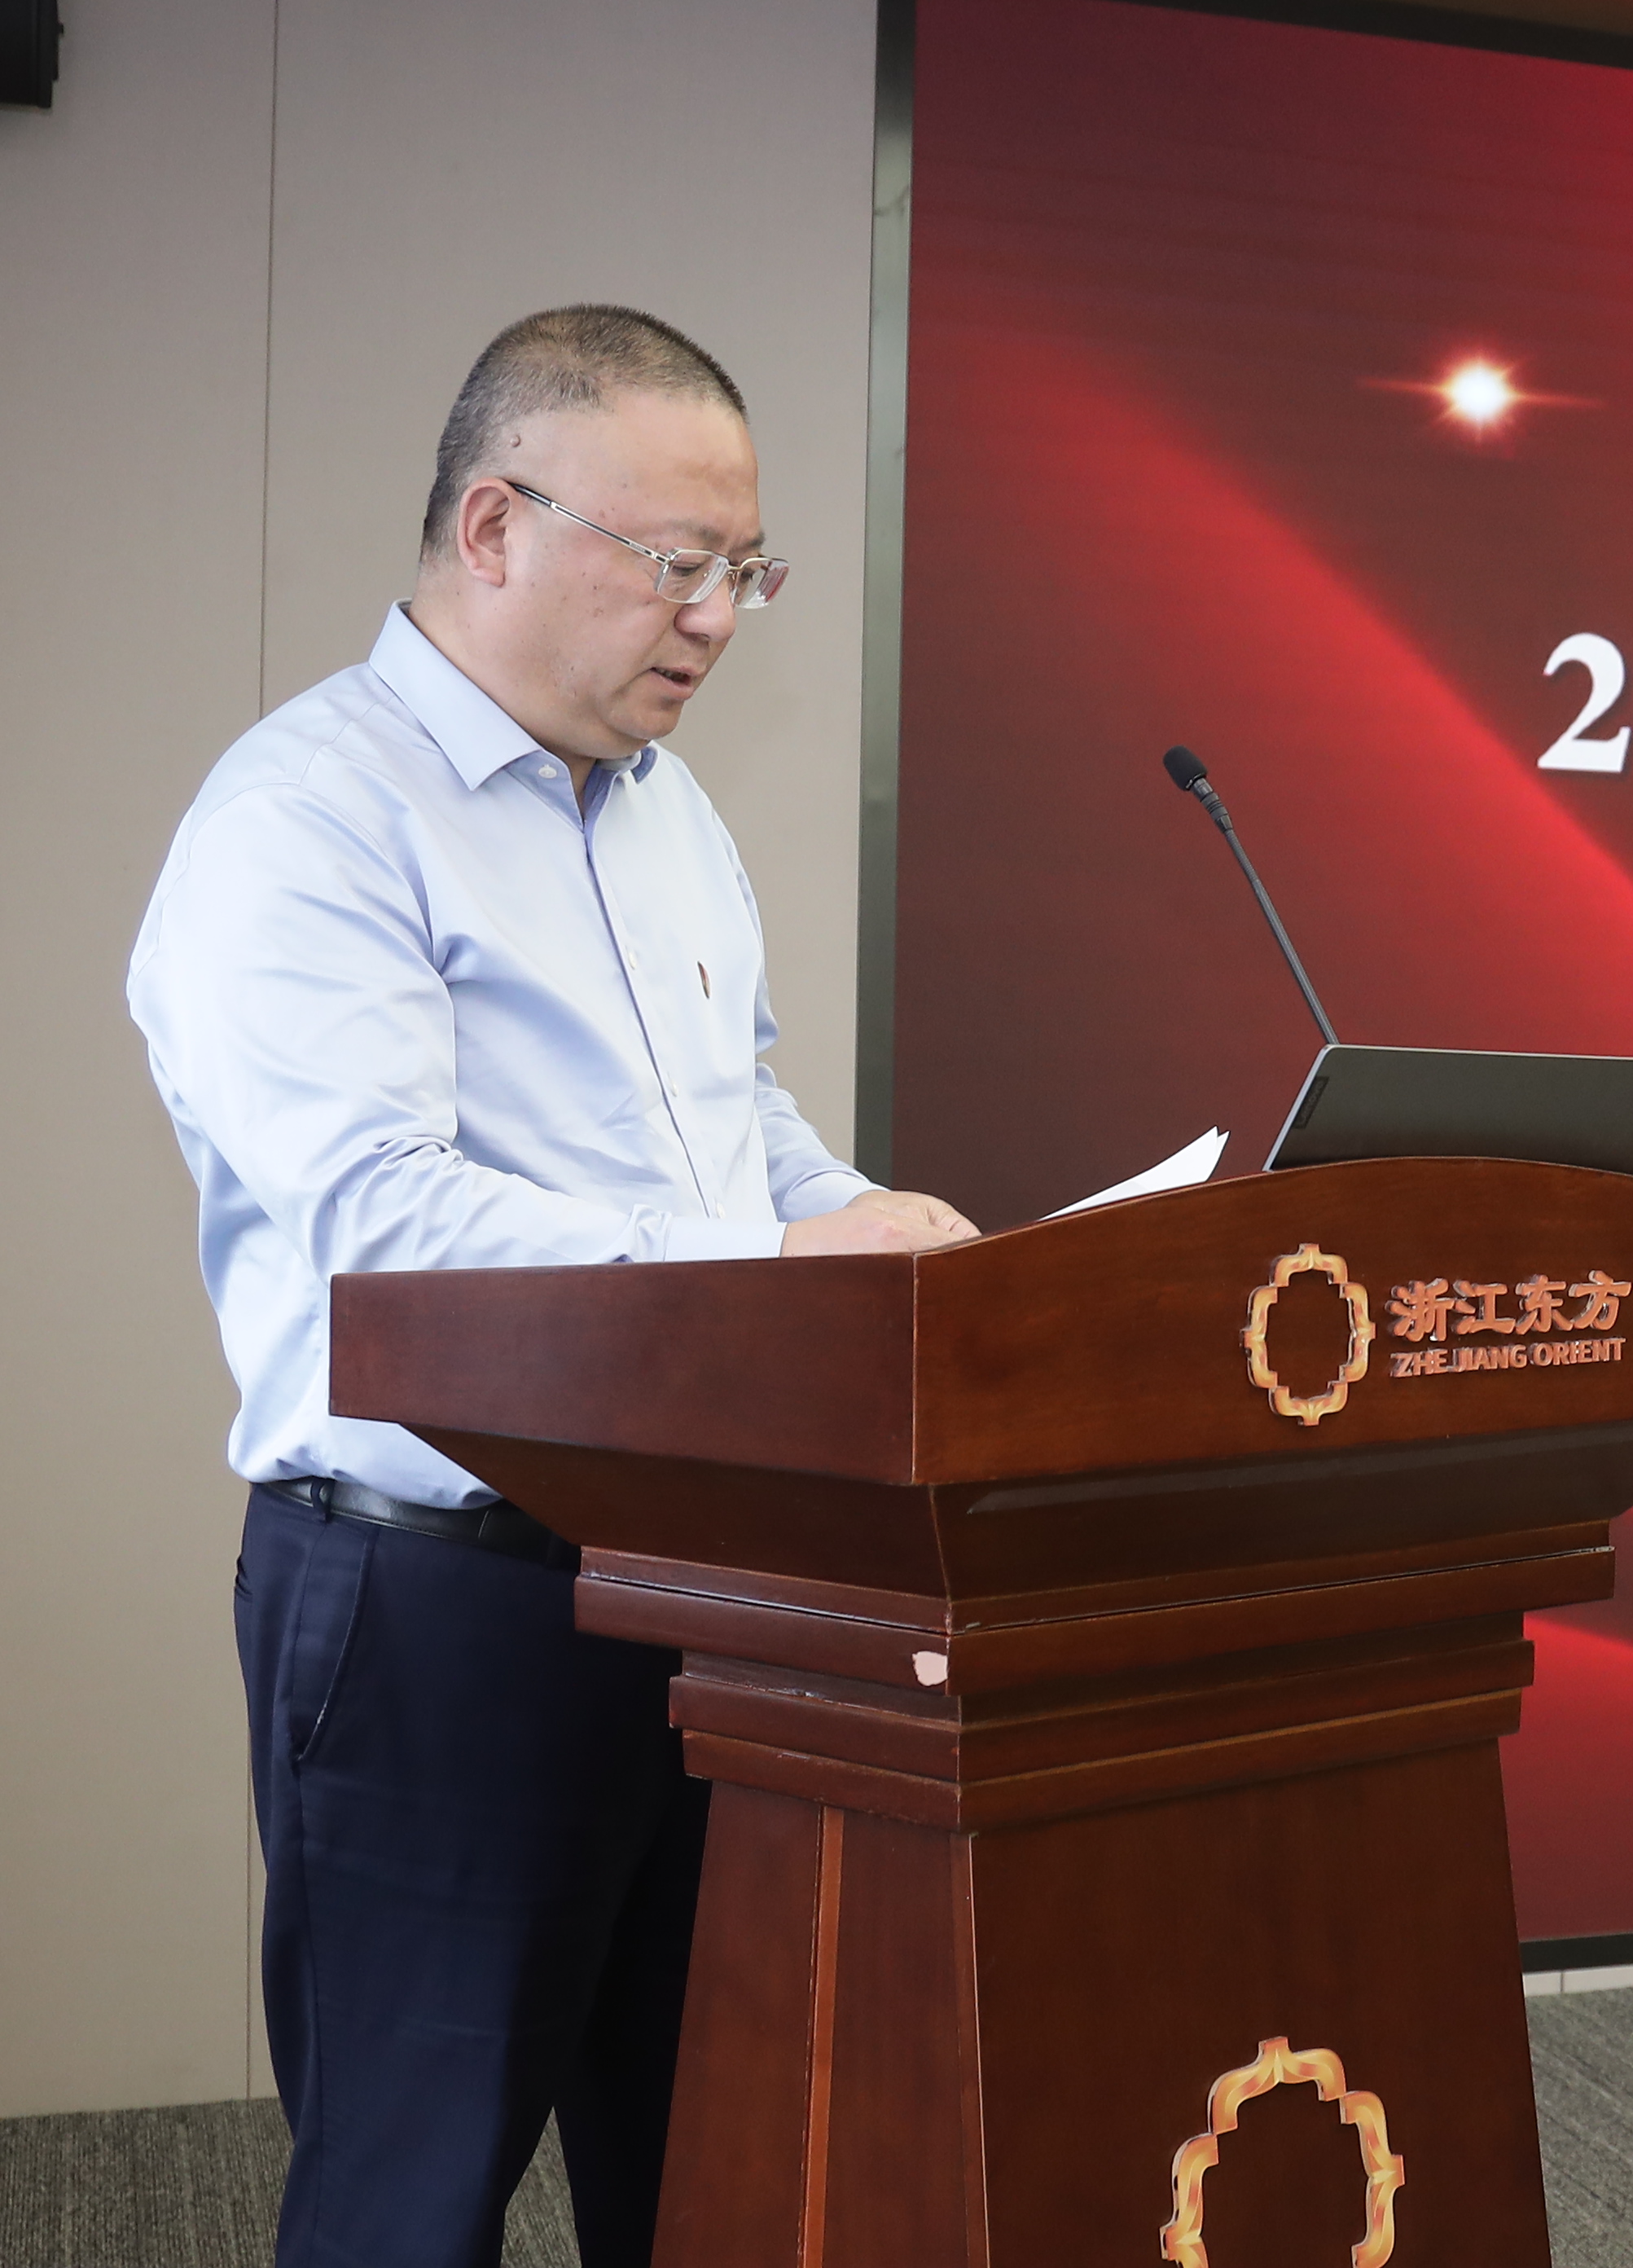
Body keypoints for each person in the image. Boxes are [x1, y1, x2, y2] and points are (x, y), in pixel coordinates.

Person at [127, 305, 976, 2268]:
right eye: (675, 562)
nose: (717, 619)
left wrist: (879, 1226)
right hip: (444, 1602)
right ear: (494, 526)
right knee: (411, 2197)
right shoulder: (305, 820)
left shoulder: (670, 814)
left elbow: (730, 1136)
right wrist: (780, 1261)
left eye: (745, 569)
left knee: (712, 2171)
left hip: (716, 1585)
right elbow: (383, 1224)